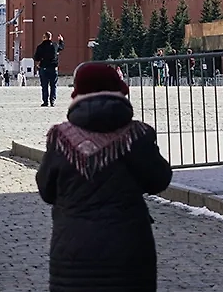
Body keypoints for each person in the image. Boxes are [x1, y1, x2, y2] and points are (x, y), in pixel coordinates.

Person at [36, 63, 172, 291]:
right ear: (120, 91)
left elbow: (46, 190)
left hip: (72, 252)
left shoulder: (60, 138)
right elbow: (160, 179)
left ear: (77, 93)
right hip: (129, 251)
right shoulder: (137, 135)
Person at [34, 32, 64, 107]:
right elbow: (61, 47)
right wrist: (61, 40)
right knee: (53, 85)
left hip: (43, 68)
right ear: (50, 37)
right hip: (53, 68)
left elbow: (36, 58)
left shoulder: (40, 47)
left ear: (44, 37)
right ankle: (52, 101)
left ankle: (45, 102)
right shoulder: (55, 45)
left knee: (44, 86)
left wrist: (41, 59)